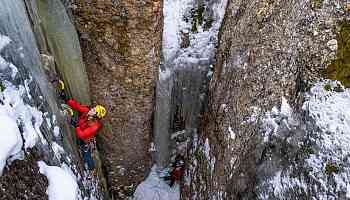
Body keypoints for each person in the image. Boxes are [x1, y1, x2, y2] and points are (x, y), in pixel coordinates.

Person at [66, 99, 107, 172]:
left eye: (94, 110)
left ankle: (92, 169)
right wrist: (68, 101)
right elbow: (77, 106)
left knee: (86, 155)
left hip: (84, 140)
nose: (92, 110)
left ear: (96, 115)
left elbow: (82, 135)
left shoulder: (94, 126)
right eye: (94, 108)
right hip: (80, 128)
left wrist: (77, 127)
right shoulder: (87, 112)